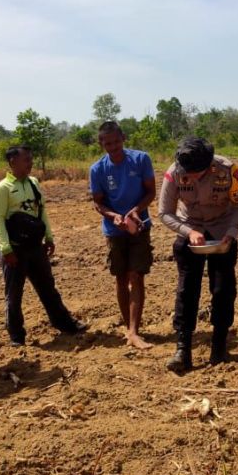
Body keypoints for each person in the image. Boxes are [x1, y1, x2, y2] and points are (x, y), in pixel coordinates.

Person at [159, 137, 238, 372]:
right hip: (190, 230)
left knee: (223, 289)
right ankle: (183, 349)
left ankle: (219, 347)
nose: (193, 177)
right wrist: (189, 232)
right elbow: (165, 213)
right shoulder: (174, 173)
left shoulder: (228, 170)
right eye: (188, 173)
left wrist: (231, 233)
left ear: (209, 164)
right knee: (187, 290)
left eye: (198, 173)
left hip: (222, 233)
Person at [0, 145, 86, 346]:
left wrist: (49, 238)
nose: (30, 162)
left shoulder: (34, 183)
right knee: (14, 295)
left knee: (48, 288)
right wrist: (6, 249)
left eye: (30, 158)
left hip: (35, 247)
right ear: (12, 162)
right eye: (26, 159)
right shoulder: (3, 188)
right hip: (15, 249)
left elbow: (42, 212)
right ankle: (16, 336)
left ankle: (65, 324)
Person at [89, 121, 157, 349]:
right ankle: (130, 329)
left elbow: (151, 191)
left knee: (137, 275)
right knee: (120, 278)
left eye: (116, 141)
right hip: (114, 230)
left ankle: (134, 332)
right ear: (101, 143)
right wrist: (113, 217)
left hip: (139, 226)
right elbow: (98, 203)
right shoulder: (97, 169)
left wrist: (136, 210)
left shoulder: (140, 159)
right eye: (108, 143)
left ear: (123, 138)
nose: (113, 146)